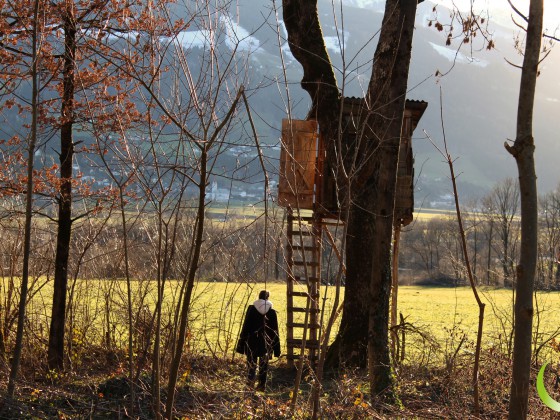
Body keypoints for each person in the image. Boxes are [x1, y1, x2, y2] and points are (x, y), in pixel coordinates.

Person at [236, 290, 281, 390]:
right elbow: (275, 331)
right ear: (268, 298)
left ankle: (250, 384)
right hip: (266, 343)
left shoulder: (251, 309)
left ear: (258, 297)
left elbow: (245, 327)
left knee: (251, 364)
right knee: (264, 366)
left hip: (251, 341)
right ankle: (261, 385)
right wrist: (277, 349)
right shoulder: (272, 312)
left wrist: (240, 345)